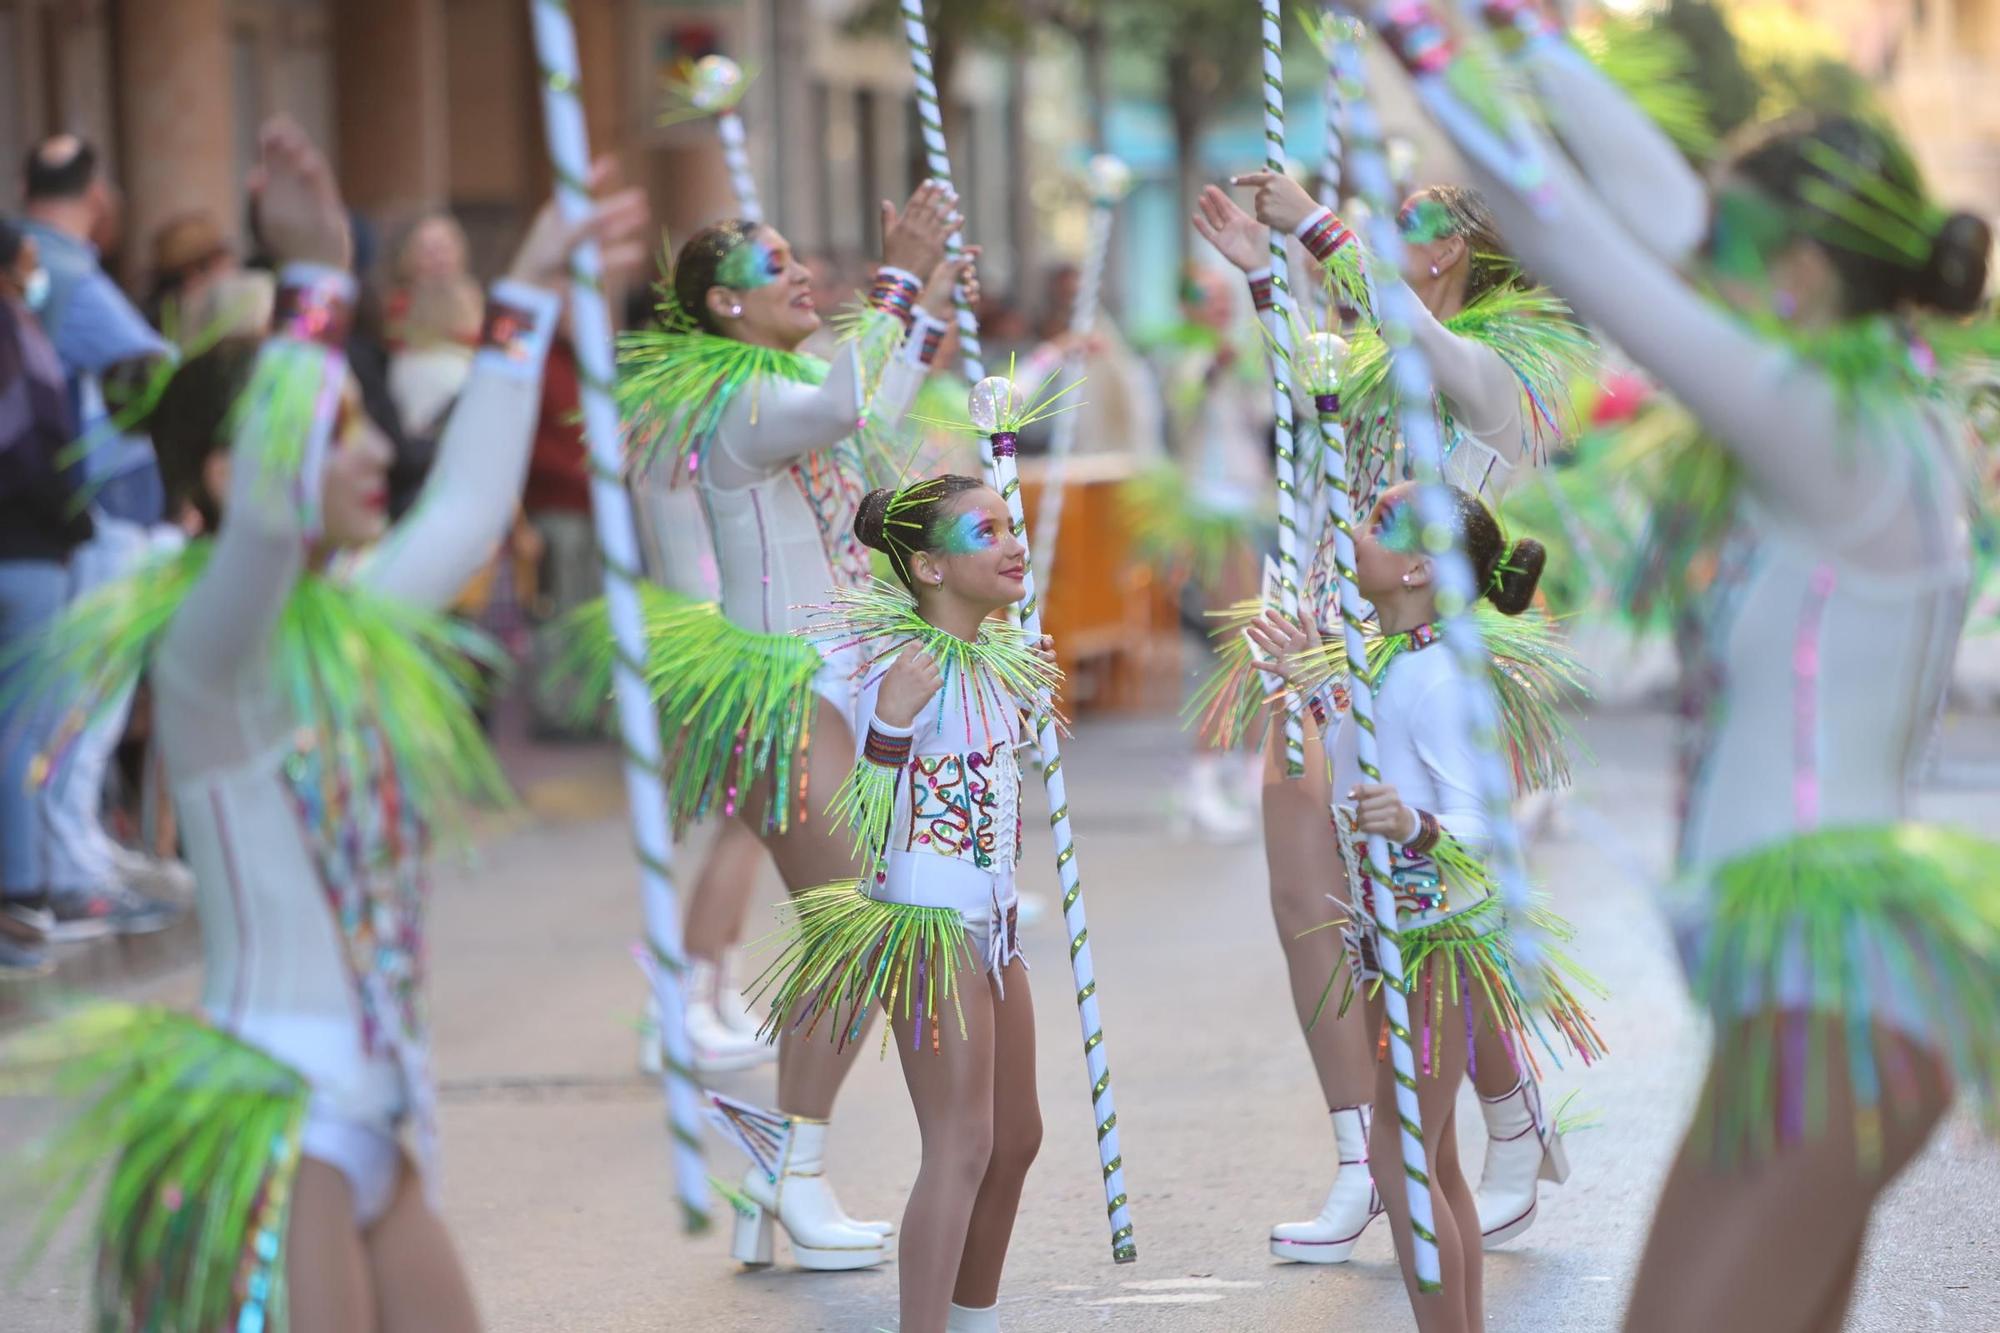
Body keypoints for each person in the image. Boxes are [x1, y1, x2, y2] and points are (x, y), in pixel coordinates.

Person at [1365, 8, 1996, 1331]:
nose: (1698, 258)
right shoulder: (1852, 402)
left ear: (1807, 268)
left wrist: (1414, 33)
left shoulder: (1830, 427)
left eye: (1730, 242)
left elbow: (1593, 251)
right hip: (1812, 1013)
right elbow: (1651, 209)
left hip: (1831, 1023)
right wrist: (1527, 37)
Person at [14, 118, 646, 1330]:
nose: (366, 451)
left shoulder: (351, 617)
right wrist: (314, 286)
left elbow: (464, 501)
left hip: (375, 1114)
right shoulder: (209, 651)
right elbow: (261, 526)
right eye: (329, 425)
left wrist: (522, 294)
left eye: (360, 418)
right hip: (280, 1125)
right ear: (222, 475)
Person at [1191, 169, 1597, 1251]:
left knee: (1425, 910)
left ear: (1454, 250)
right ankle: (1355, 1160)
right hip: (1318, 644)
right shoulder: (1371, 336)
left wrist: (1312, 231)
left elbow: (1418, 346)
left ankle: (1506, 1121)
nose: (1375, 222)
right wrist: (1265, 283)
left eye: (1401, 215)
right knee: (1305, 903)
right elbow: (1314, 429)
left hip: (1425, 660)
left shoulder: (1497, 373)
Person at [607, 186, 968, 1269]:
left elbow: (881, 397)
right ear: (723, 303)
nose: (802, 269)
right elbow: (845, 411)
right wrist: (894, 277)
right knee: (855, 918)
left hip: (848, 679)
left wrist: (932, 293)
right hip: (779, 692)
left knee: (861, 926)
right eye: (775, 264)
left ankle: (785, 1163)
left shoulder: (791, 377)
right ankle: (789, 1166)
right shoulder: (730, 402)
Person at [1248, 481, 1603, 1333]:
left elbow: (1486, 819)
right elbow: (1364, 751)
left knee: (1402, 1157)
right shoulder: (1397, 656)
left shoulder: (1443, 675)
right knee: (1428, 1156)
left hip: (1436, 941)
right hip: (1395, 938)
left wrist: (1413, 822)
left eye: (1378, 524)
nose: (1356, 532)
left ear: (1417, 567)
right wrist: (1314, 686)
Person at [760, 475, 1051, 1333]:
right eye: (983, 531)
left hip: (991, 925)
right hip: (927, 921)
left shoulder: (998, 660)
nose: (1012, 543)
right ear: (927, 565)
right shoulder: (902, 667)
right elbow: (860, 819)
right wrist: (887, 727)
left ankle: (972, 1317)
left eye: (1011, 525)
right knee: (960, 1143)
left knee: (1016, 1137)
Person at [15, 133, 191, 935]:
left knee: (64, 709)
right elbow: (157, 375)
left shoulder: (40, 269)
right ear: (98, 195)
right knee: (76, 710)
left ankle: (67, 861)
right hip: (100, 515)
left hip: (69, 521)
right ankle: (65, 870)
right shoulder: (70, 275)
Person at [0, 220, 92, 974]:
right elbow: (43, 450)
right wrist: (74, 519)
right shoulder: (20, 339)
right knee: (24, 730)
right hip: (27, 552)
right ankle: (25, 897)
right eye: (30, 263)